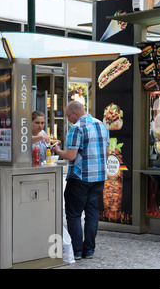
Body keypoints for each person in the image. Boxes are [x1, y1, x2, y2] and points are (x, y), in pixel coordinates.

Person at [52, 101, 109, 259]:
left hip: (80, 178)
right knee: (92, 213)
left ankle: (77, 251)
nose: (68, 119)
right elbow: (107, 153)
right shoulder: (102, 125)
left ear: (75, 113)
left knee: (74, 214)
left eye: (68, 116)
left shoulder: (76, 128)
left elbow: (70, 156)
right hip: (99, 177)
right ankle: (89, 250)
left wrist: (57, 150)